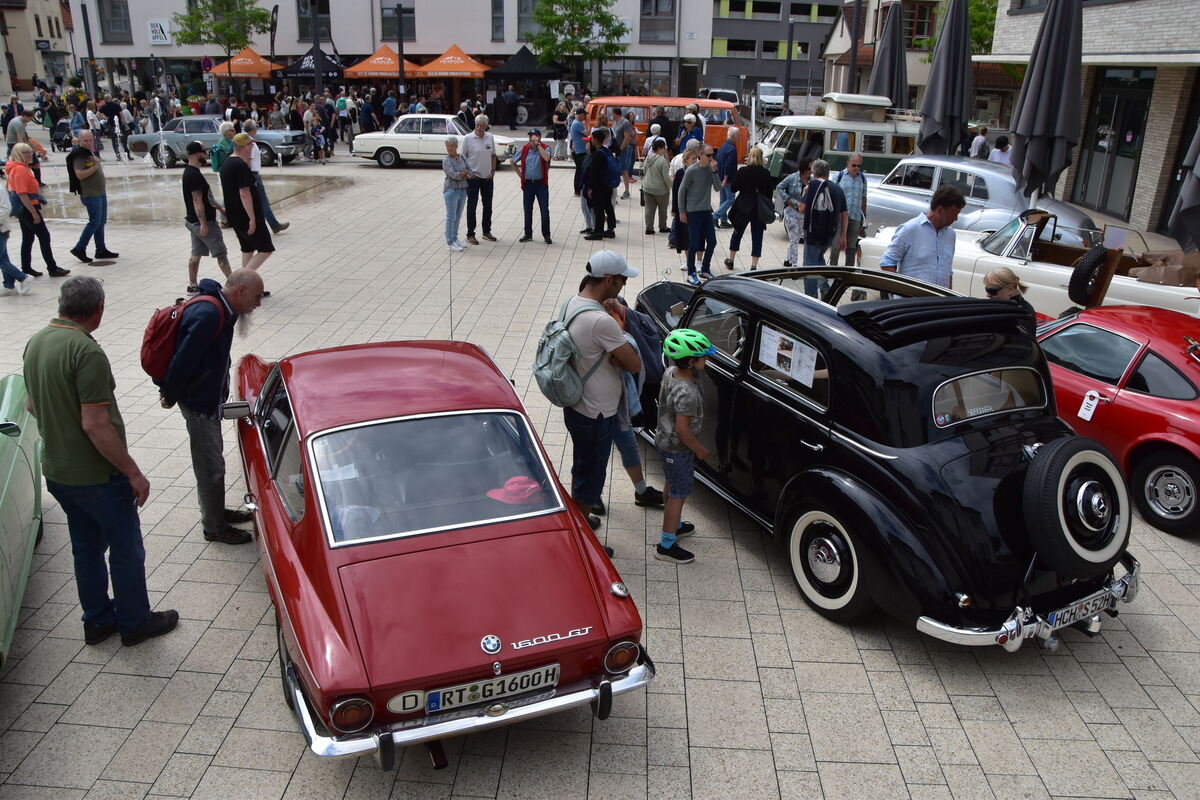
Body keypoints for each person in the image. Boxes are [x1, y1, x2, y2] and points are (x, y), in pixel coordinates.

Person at [22, 276, 178, 647]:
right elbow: (95, 424)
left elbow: (31, 405)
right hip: (97, 477)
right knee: (126, 549)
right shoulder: (85, 352)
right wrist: (133, 473)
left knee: (86, 548)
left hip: (58, 471)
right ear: (98, 309)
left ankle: (97, 621)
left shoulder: (37, 342)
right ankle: (135, 623)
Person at [161, 269, 265, 545]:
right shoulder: (210, 313)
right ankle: (214, 527)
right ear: (240, 291)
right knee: (211, 466)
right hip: (199, 402)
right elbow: (183, 359)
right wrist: (169, 394)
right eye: (256, 297)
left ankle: (216, 511)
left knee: (213, 462)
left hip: (206, 398)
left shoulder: (221, 308)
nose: (258, 303)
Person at [562, 251, 642, 533]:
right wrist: (620, 353)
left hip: (576, 404)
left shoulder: (572, 303)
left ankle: (579, 520)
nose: (623, 285)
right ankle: (581, 538)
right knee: (592, 478)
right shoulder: (601, 321)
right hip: (597, 412)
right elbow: (634, 363)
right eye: (622, 280)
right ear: (609, 280)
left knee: (581, 467)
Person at [654, 328, 717, 564]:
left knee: (671, 484)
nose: (706, 360)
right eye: (703, 357)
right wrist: (699, 450)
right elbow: (683, 430)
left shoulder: (671, 372)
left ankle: (676, 525)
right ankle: (666, 545)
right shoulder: (687, 392)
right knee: (679, 494)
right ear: (691, 362)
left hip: (664, 441)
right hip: (678, 449)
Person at [879, 184, 965, 289]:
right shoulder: (910, 229)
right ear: (940, 210)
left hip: (939, 298)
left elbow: (948, 271)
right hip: (913, 298)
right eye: (954, 214)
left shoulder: (950, 235)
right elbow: (887, 263)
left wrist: (949, 296)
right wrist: (903, 290)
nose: (956, 218)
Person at [6, 143, 67, 278]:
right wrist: (34, 213)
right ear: (18, 154)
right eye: (25, 152)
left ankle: (26, 268)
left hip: (25, 207)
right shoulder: (20, 169)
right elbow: (22, 194)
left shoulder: (20, 167)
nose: (30, 154)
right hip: (27, 208)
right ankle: (52, 268)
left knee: (28, 237)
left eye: (30, 152)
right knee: (44, 236)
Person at [181, 141, 232, 293]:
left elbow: (207, 198)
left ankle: (192, 285)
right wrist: (203, 223)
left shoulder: (190, 171)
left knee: (195, 254)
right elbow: (197, 201)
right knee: (221, 253)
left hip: (192, 221)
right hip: (204, 222)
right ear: (198, 154)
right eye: (204, 152)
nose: (206, 155)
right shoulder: (193, 175)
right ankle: (234, 285)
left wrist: (221, 209)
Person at [220, 133, 275, 273]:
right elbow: (244, 193)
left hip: (234, 214)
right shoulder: (240, 166)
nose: (252, 148)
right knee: (266, 249)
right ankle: (241, 279)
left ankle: (245, 282)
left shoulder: (227, 163)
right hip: (246, 215)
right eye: (250, 145)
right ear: (244, 147)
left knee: (248, 248)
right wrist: (252, 218)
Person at [798, 159, 848, 296]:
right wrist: (843, 235)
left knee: (809, 265)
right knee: (819, 259)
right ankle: (825, 288)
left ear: (814, 173)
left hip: (813, 232)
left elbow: (801, 208)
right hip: (829, 233)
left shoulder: (813, 186)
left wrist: (804, 193)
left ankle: (811, 296)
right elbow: (844, 213)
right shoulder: (837, 189)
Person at [66, 131, 118, 264]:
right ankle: (79, 248)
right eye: (86, 141)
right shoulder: (79, 156)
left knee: (101, 222)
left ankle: (101, 249)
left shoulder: (88, 153)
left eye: (91, 140)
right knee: (94, 222)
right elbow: (80, 175)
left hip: (100, 193)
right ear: (79, 141)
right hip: (91, 194)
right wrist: (95, 166)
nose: (89, 143)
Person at [724, 146, 774, 270]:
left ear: (750, 157)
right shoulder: (766, 173)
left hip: (743, 207)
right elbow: (769, 194)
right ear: (761, 158)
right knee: (757, 237)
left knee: (737, 233)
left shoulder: (743, 171)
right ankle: (753, 266)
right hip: (759, 209)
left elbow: (733, 188)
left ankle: (731, 260)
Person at [679, 143, 722, 284]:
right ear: (700, 155)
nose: (711, 158)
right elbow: (682, 190)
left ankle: (705, 269)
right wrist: (681, 211)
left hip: (706, 211)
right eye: (708, 155)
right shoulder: (692, 170)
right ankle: (691, 273)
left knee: (712, 241)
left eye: (712, 155)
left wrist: (714, 172)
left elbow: (717, 188)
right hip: (693, 211)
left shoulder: (710, 169)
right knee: (694, 243)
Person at [241, 121, 289, 234]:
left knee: (253, 202)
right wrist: (250, 177)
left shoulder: (245, 140)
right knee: (263, 202)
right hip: (253, 175)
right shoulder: (249, 142)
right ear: (253, 129)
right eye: (256, 127)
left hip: (252, 174)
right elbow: (248, 160)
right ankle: (274, 225)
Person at [461, 115, 498, 246]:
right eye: (477, 125)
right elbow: (462, 157)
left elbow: (493, 155)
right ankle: (470, 234)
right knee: (472, 206)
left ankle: (486, 231)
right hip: (473, 178)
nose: (479, 128)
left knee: (488, 206)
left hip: (487, 178)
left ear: (486, 126)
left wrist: (493, 171)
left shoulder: (490, 137)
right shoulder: (468, 138)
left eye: (482, 126)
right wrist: (468, 173)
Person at [513, 128, 553, 245]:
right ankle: (528, 234)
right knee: (527, 209)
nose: (532, 138)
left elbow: (547, 158)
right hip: (528, 184)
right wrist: (521, 176)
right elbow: (512, 161)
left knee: (544, 210)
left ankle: (546, 235)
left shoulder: (545, 148)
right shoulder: (525, 149)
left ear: (539, 137)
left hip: (541, 184)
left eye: (534, 136)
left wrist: (538, 145)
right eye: (530, 136)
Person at [830, 153, 867, 266]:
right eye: (854, 165)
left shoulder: (862, 178)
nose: (856, 168)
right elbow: (831, 196)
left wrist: (863, 218)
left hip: (855, 217)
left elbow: (863, 197)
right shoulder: (839, 176)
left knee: (851, 247)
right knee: (836, 246)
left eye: (859, 166)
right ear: (848, 163)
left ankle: (849, 270)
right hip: (840, 217)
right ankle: (832, 270)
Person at [777, 159, 812, 268]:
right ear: (803, 168)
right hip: (791, 210)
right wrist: (788, 200)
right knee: (794, 238)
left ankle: (787, 260)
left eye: (812, 169)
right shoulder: (793, 177)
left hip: (803, 213)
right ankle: (794, 264)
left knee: (796, 237)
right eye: (809, 168)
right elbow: (779, 187)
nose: (811, 171)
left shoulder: (812, 180)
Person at [585, 128, 617, 240]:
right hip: (608, 184)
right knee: (608, 206)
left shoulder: (598, 154)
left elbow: (594, 173)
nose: (591, 140)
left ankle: (598, 232)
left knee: (599, 209)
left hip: (600, 186)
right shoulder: (606, 151)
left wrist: (590, 188)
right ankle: (611, 229)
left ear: (596, 139)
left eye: (592, 138)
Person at [984, 266, 1038, 334]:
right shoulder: (1006, 308)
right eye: (986, 289)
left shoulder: (1019, 314)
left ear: (1010, 289)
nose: (987, 295)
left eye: (992, 291)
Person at [0, 186, 31, 296]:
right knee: (3, 258)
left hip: (1, 228)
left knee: (1, 259)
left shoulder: (0, 189)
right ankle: (9, 286)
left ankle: (23, 277)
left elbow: (6, 208)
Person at [670, 146, 700, 256]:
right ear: (686, 160)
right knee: (686, 236)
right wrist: (674, 209)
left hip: (696, 207)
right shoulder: (680, 173)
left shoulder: (699, 172)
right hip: (683, 208)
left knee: (696, 235)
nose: (695, 161)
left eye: (696, 158)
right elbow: (675, 191)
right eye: (693, 158)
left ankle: (697, 260)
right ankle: (688, 260)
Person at [442, 136, 469, 252]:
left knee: (457, 217)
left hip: (462, 190)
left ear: (456, 146)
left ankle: (455, 238)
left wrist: (464, 173)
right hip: (451, 190)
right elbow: (453, 175)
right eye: (447, 146)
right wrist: (463, 173)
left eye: (452, 146)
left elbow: (469, 170)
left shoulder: (462, 157)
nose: (449, 148)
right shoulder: (446, 160)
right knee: (451, 217)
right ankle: (449, 242)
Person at [641, 138, 671, 235]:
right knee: (662, 209)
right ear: (659, 148)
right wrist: (672, 186)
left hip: (647, 188)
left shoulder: (648, 159)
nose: (665, 150)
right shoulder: (663, 161)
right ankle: (662, 226)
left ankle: (649, 228)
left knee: (649, 208)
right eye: (664, 148)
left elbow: (644, 171)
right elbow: (666, 177)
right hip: (661, 190)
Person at [713, 127, 740, 228]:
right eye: (738, 136)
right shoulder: (732, 149)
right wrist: (725, 179)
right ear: (733, 136)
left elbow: (717, 161)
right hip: (728, 179)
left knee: (723, 199)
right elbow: (728, 165)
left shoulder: (722, 147)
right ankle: (715, 216)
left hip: (721, 177)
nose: (739, 138)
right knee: (731, 199)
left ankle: (723, 220)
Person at [611, 108, 635, 199]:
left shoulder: (625, 123)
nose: (611, 116)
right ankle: (614, 190)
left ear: (615, 113)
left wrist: (620, 149)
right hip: (615, 150)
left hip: (622, 151)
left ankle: (627, 191)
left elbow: (626, 137)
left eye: (612, 114)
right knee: (615, 170)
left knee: (623, 170)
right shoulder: (615, 123)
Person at [569, 108, 589, 195]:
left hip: (578, 149)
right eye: (585, 115)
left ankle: (578, 188)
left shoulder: (576, 123)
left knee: (580, 169)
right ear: (581, 115)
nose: (585, 117)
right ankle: (578, 188)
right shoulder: (577, 123)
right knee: (581, 169)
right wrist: (587, 123)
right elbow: (587, 133)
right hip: (579, 151)